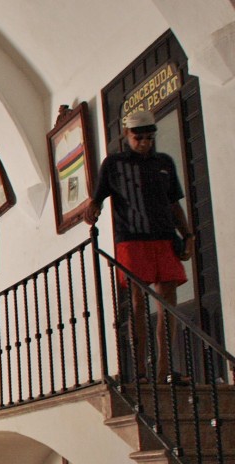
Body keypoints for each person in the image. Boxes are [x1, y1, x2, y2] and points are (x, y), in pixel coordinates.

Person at [86, 109, 195, 383]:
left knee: (168, 305)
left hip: (165, 237)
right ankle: (140, 371)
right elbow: (96, 199)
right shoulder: (113, 164)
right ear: (126, 135)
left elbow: (174, 204)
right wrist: (92, 211)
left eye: (149, 137)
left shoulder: (164, 162)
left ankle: (164, 369)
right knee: (137, 304)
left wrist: (188, 236)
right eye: (139, 138)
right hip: (132, 239)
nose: (145, 143)